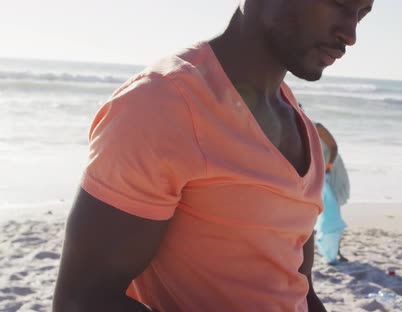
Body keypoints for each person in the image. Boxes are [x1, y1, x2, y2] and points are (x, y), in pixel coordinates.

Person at [53, 0, 373, 311]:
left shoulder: (300, 124)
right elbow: (83, 300)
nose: (351, 35)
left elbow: (299, 290)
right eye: (339, 4)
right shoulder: (162, 104)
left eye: (361, 14)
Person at [314, 123, 350, 264]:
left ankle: (337, 251)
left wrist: (328, 167)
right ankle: (327, 248)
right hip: (319, 171)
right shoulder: (296, 130)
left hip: (332, 168)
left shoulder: (316, 127)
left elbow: (333, 147)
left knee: (333, 209)